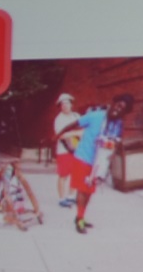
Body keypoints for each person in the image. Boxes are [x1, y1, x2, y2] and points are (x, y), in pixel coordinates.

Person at [55, 93, 133, 234]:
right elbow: (73, 125)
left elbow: (117, 141)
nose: (118, 109)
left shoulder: (118, 124)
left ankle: (81, 216)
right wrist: (57, 135)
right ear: (113, 103)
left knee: (89, 191)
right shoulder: (96, 116)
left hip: (98, 164)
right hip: (83, 158)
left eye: (123, 109)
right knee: (82, 190)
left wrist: (112, 151)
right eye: (118, 105)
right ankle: (79, 219)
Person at [53, 93, 82, 208]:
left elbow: (83, 129)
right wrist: (77, 133)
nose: (65, 106)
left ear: (71, 104)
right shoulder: (59, 119)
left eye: (67, 103)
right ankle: (61, 198)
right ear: (60, 106)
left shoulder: (76, 116)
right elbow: (61, 135)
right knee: (63, 175)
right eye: (62, 104)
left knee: (76, 174)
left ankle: (71, 196)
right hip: (64, 151)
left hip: (77, 149)